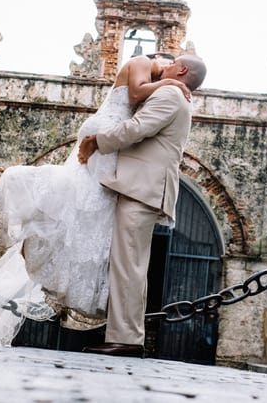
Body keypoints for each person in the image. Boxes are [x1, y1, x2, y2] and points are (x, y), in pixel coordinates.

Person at [0, 53, 189, 345]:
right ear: (161, 58)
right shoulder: (143, 62)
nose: (165, 71)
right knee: (85, 202)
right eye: (167, 64)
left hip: (113, 144)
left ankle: (71, 266)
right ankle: (33, 212)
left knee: (92, 209)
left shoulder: (165, 92)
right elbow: (136, 94)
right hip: (105, 134)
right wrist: (169, 81)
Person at [78, 53, 207, 357]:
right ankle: (126, 335)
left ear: (182, 70)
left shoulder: (172, 93)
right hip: (142, 186)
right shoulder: (174, 94)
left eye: (174, 62)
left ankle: (126, 339)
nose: (167, 65)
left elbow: (137, 127)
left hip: (143, 187)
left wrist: (97, 141)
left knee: (129, 265)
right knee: (131, 264)